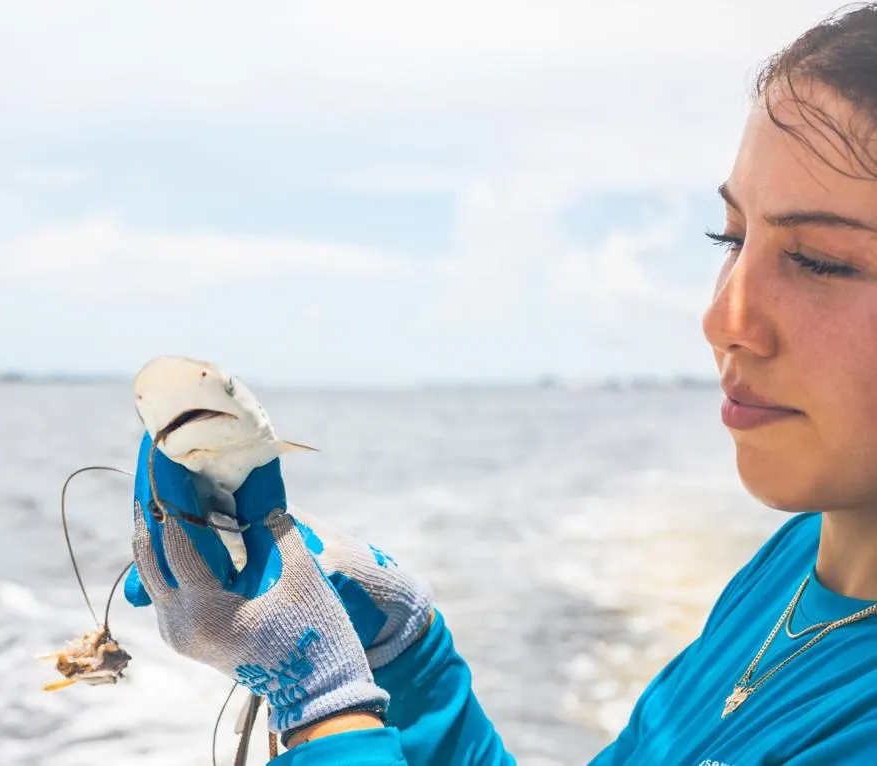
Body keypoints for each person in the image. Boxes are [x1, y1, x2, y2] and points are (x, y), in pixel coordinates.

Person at [122, 4, 877, 763]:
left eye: (820, 260)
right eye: (732, 238)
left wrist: (324, 707)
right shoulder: (792, 566)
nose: (723, 318)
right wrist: (402, 655)